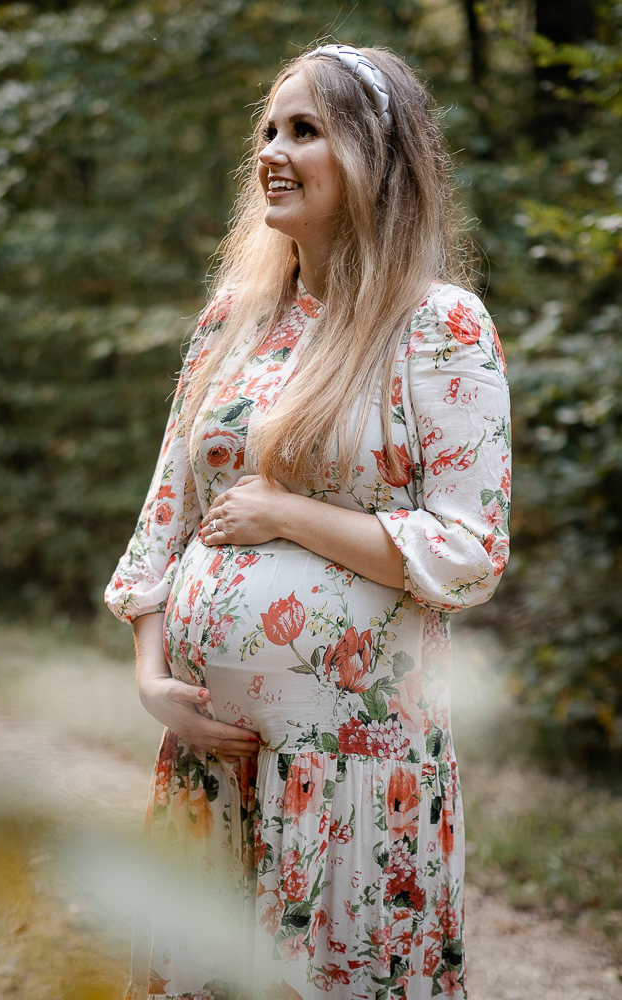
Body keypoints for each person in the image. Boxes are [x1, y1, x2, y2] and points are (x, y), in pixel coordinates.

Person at [105, 42, 511, 1000]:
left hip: (356, 780)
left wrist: (286, 511)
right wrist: (152, 676)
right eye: (268, 131)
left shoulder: (437, 326)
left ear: (372, 155)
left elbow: (467, 553)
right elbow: (167, 512)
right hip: (213, 776)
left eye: (305, 130)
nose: (273, 152)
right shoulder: (233, 321)